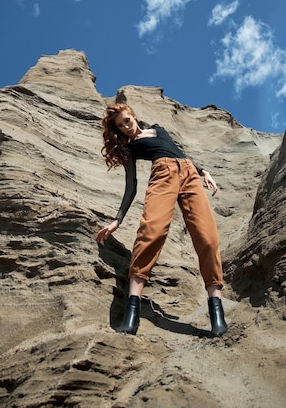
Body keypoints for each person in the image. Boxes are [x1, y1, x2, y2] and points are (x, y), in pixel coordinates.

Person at [96, 103, 227, 337]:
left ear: (133, 116)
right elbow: (131, 187)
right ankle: (132, 312)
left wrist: (203, 171)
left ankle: (217, 314)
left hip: (189, 175)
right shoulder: (130, 149)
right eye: (121, 126)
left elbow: (177, 151)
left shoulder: (159, 129)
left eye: (127, 120)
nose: (126, 127)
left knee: (208, 239)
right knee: (151, 233)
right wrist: (118, 220)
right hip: (163, 176)